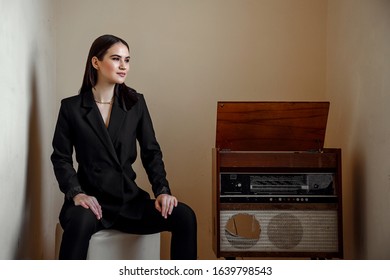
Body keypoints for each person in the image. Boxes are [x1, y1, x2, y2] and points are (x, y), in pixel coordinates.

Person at [51, 34, 197, 260]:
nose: (123, 66)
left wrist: (162, 191)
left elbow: (151, 153)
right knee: (80, 222)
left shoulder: (135, 103)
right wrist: (76, 193)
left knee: (185, 216)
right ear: (96, 62)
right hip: (92, 203)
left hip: (128, 202)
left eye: (127, 60)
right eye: (116, 59)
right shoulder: (71, 108)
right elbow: (61, 157)